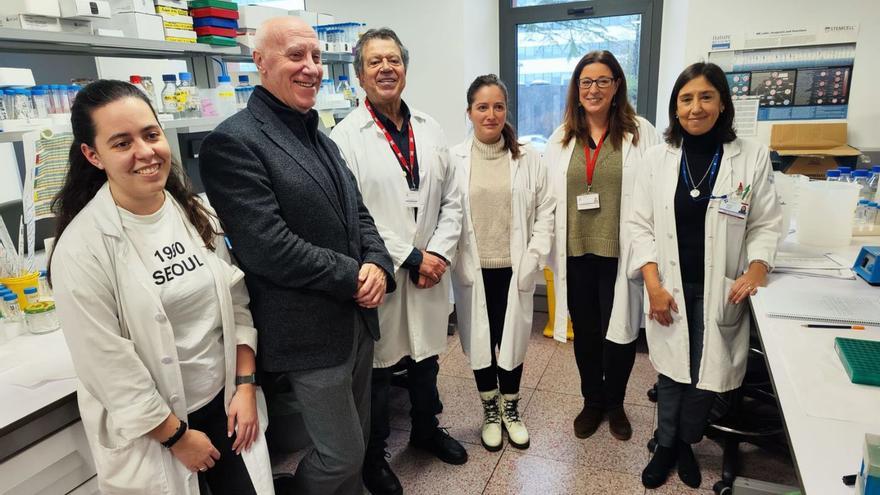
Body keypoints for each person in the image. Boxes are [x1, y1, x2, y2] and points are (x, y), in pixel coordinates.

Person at [198, 17, 395, 495]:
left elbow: (358, 214)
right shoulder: (234, 142)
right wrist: (354, 275)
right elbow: (269, 246)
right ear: (260, 63)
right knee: (341, 454)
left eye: (316, 57)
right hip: (308, 333)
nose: (311, 68)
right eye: (295, 56)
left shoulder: (317, 133)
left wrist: (379, 266)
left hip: (356, 321)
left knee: (357, 441)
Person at [50, 79, 274, 494]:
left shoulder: (195, 211)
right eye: (121, 143)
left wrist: (245, 385)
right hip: (158, 433)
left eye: (151, 135)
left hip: (225, 405)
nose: (145, 152)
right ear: (92, 155)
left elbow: (237, 303)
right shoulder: (81, 249)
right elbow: (108, 367)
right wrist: (177, 437)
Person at [628, 62, 782, 489]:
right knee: (672, 370)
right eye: (686, 99)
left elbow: (766, 222)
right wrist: (654, 286)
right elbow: (639, 226)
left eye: (705, 97)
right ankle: (665, 444)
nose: (696, 107)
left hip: (721, 287)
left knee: (705, 372)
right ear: (676, 109)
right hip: (669, 285)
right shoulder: (657, 160)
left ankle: (684, 442)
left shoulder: (748, 156)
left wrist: (757, 267)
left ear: (722, 104)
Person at [330, 27, 466, 495]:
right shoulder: (345, 137)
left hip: (431, 271)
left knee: (427, 358)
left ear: (405, 69)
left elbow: (453, 199)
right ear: (361, 75)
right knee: (381, 370)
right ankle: (375, 456)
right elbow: (353, 214)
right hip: (384, 270)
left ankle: (427, 432)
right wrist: (411, 257)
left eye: (394, 60)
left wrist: (440, 255)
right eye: (375, 62)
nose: (386, 68)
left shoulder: (430, 128)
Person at [543, 50, 660, 441]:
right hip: (575, 253)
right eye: (586, 82)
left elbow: (655, 195)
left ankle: (616, 403)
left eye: (602, 81)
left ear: (617, 87)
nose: (593, 89)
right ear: (576, 90)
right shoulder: (560, 139)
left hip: (621, 254)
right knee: (588, 332)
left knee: (621, 332)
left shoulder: (640, 133)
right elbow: (547, 198)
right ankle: (592, 401)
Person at [449, 74, 554, 452]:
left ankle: (511, 409)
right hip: (473, 270)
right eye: (482, 107)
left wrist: (535, 255)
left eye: (498, 106)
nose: (490, 114)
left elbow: (547, 210)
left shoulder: (528, 158)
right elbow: (447, 216)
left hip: (515, 268)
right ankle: (489, 411)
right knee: (480, 342)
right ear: (469, 112)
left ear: (506, 110)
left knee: (511, 343)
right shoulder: (454, 159)